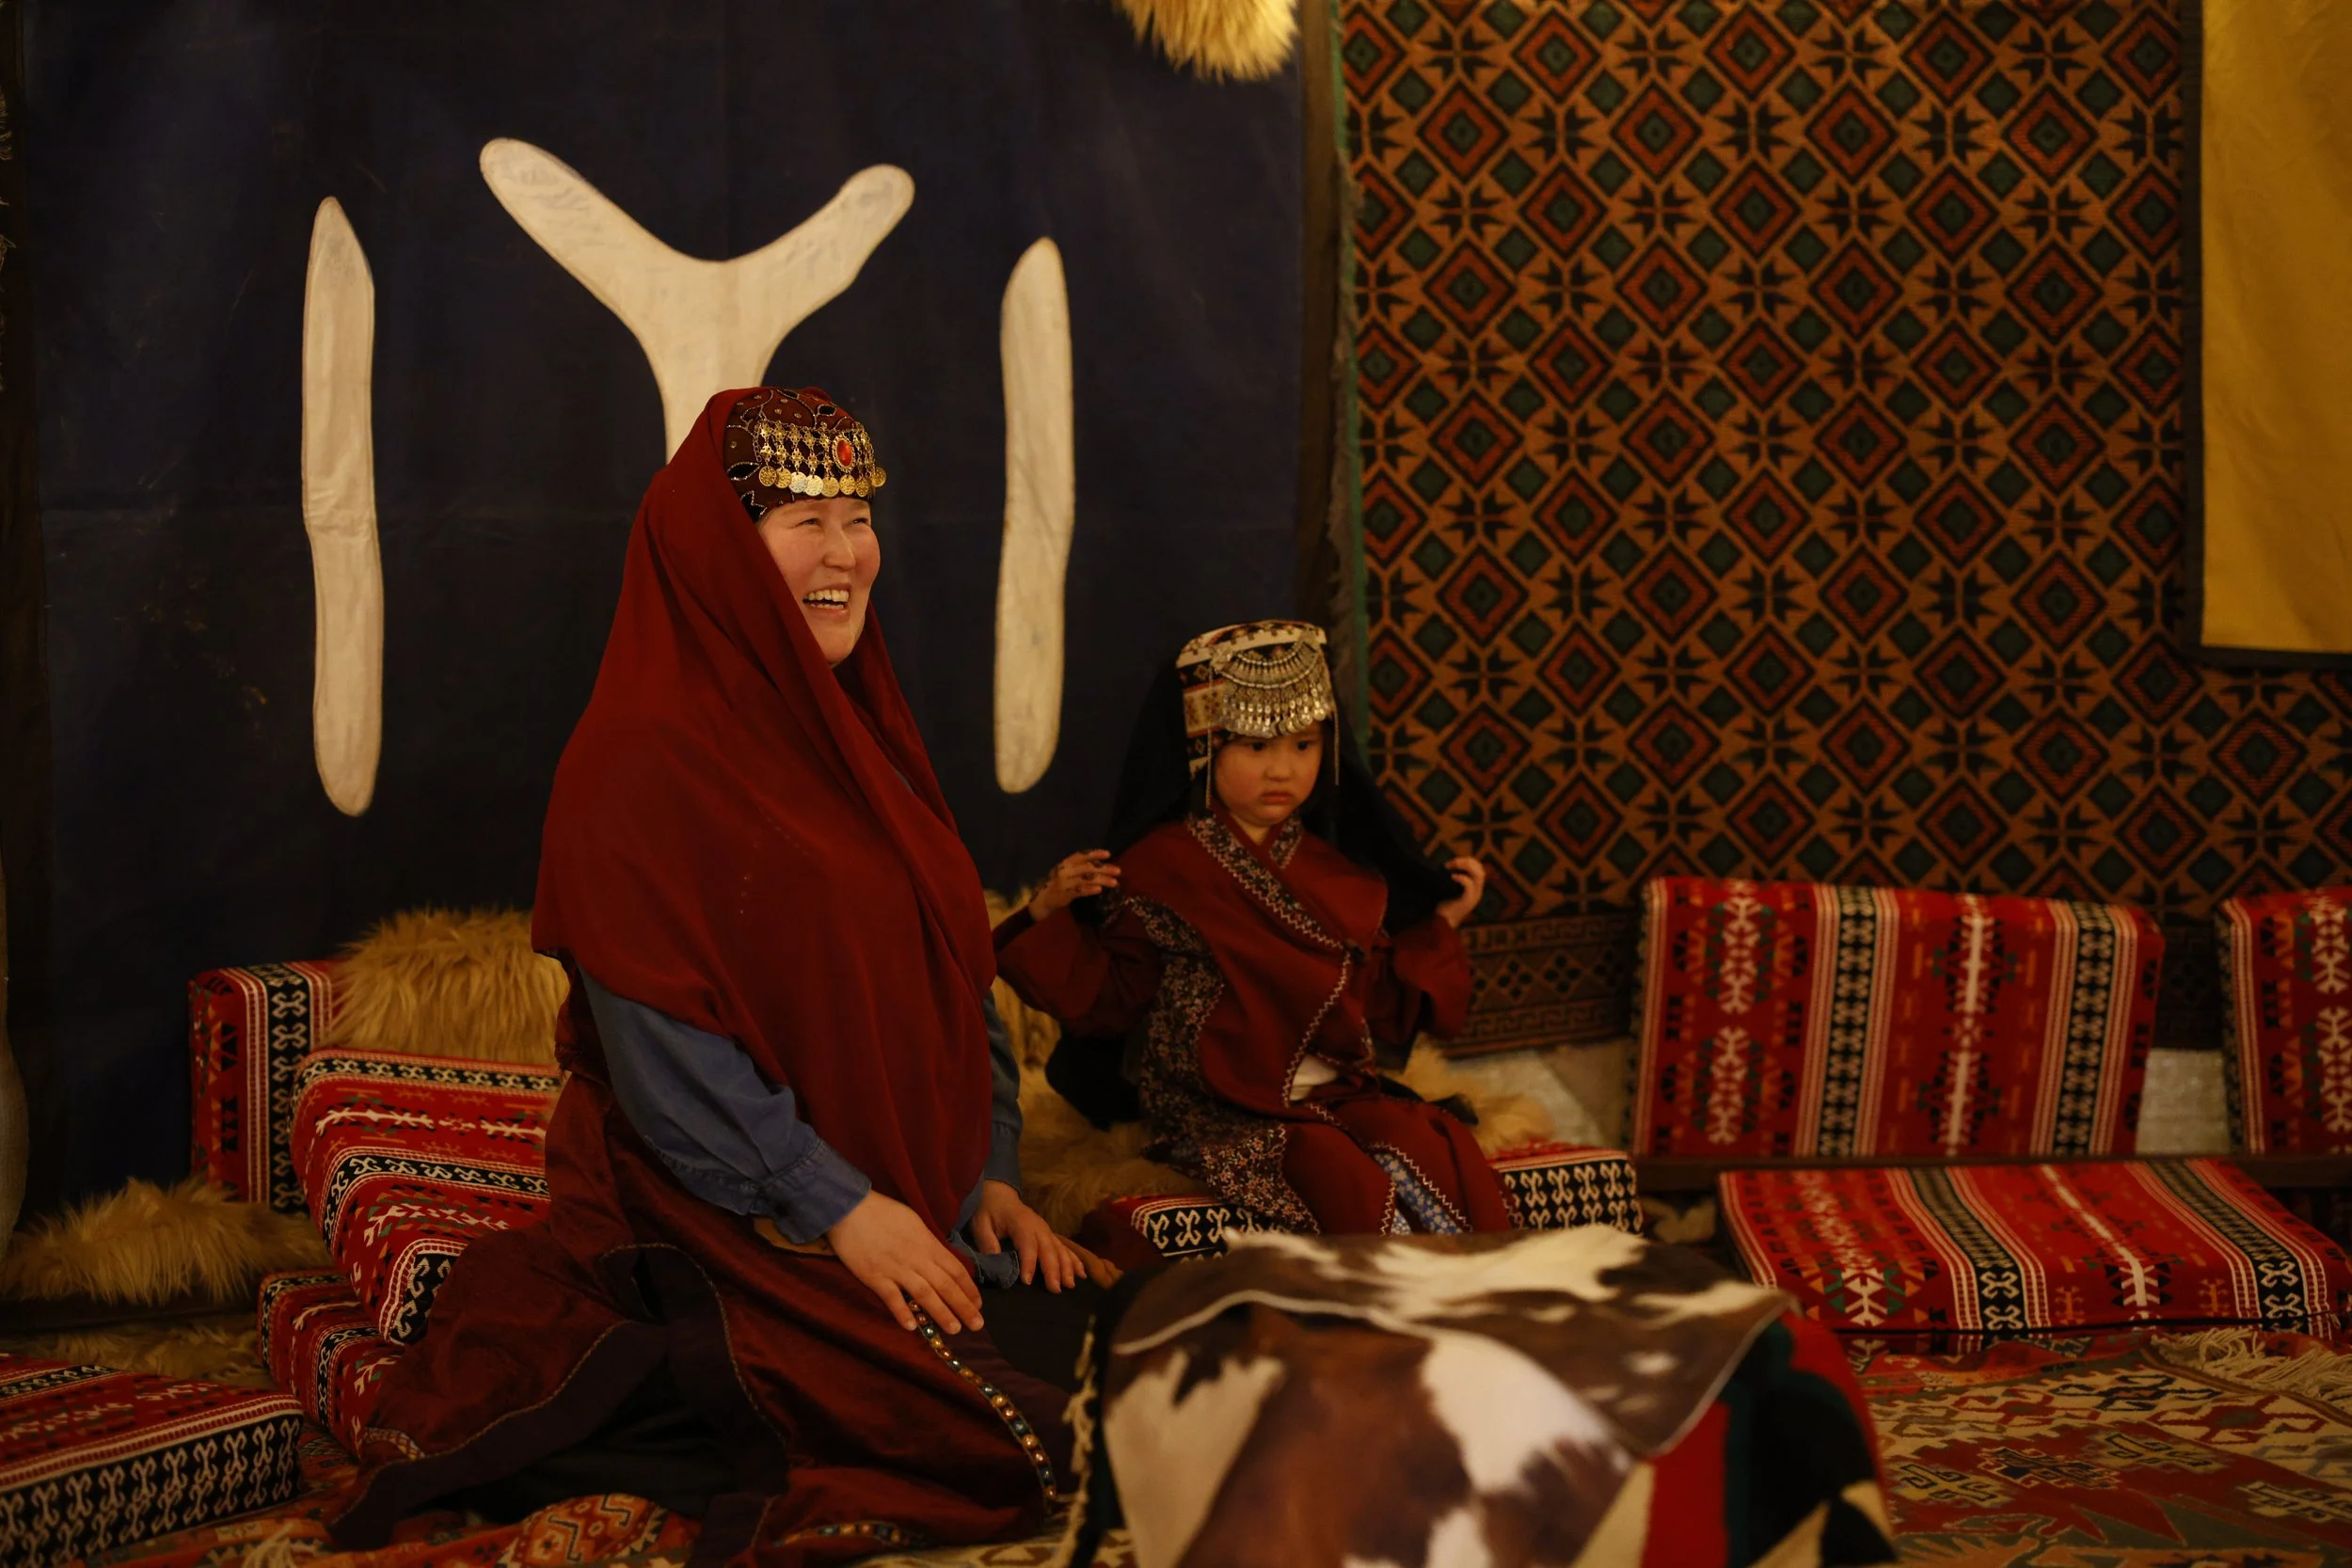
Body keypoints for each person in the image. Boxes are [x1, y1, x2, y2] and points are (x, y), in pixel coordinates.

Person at [333, 387, 1090, 1565]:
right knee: (996, 1431)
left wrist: (985, 1169)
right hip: (714, 1198)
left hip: (907, 1185)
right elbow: (664, 1051)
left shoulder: (859, 732)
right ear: (721, 551)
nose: (844, 551)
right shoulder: (638, 757)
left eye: (857, 515)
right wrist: (843, 1207)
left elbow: (947, 955)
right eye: (801, 519)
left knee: (1120, 1337)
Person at [993, 620, 1515, 1235]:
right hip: (1217, 1106)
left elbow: (1376, 1006)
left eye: (1303, 744)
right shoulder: (1161, 866)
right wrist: (1048, 912)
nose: (1282, 770)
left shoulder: (1338, 870)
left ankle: (1478, 1300)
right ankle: (1373, 1314)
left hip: (1334, 1095)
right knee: (1343, 1177)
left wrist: (1442, 923)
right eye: (1256, 746)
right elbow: (1109, 1000)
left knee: (1434, 1142)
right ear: (1204, 744)